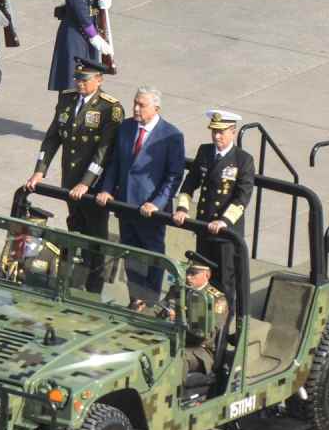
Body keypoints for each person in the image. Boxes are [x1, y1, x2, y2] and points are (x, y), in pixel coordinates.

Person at [25, 57, 123, 293]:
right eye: (78, 78)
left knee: (95, 239)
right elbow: (52, 138)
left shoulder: (110, 108)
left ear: (98, 80)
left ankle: (93, 290)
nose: (80, 83)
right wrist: (40, 170)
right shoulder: (67, 100)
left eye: (85, 79)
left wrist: (86, 183)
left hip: (94, 185)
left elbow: (104, 151)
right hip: (70, 181)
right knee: (75, 229)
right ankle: (72, 282)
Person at [96, 86, 186, 305]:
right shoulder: (126, 127)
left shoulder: (171, 136)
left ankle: (149, 301)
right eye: (135, 103)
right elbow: (116, 163)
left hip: (150, 211)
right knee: (131, 255)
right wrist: (107, 188)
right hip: (126, 205)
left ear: (156, 108)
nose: (136, 109)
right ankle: (135, 298)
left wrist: (157, 203)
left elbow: (174, 176)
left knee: (152, 256)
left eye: (141, 105)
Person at [173, 110, 255, 301]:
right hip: (204, 227)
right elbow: (189, 184)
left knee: (225, 283)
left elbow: (242, 197)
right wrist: (183, 208)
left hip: (226, 234)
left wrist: (224, 221)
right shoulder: (205, 151)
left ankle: (223, 327)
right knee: (200, 278)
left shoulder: (243, 160)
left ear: (233, 132)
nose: (216, 136)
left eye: (221, 132)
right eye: (214, 132)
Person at [155, 257, 228, 380]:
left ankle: (175, 396)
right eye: (188, 272)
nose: (188, 277)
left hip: (199, 348)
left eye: (193, 273)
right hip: (171, 338)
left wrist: (179, 319)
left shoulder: (216, 300)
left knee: (175, 359)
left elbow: (206, 333)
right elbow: (160, 308)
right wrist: (144, 309)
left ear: (207, 275)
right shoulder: (178, 290)